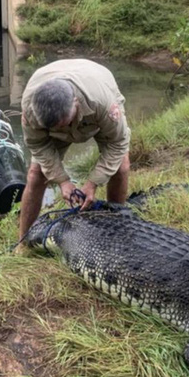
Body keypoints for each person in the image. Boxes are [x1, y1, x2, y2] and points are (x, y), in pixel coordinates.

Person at [16, 59, 131, 252]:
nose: (64, 130)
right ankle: (24, 243)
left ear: (75, 103)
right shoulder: (31, 108)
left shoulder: (102, 102)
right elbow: (37, 144)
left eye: (64, 123)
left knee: (121, 167)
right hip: (57, 108)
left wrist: (92, 182)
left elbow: (117, 143)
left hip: (94, 106)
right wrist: (62, 181)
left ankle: (115, 231)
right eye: (54, 127)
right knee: (36, 174)